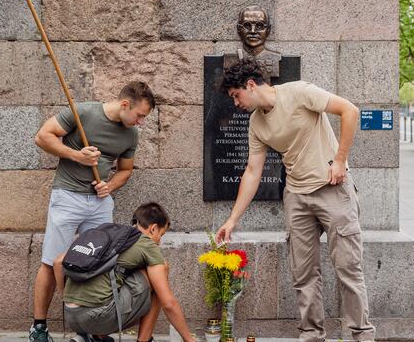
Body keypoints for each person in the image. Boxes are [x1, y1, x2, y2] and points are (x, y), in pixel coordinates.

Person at [214, 60, 375, 342]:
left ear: (250, 85)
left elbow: (349, 111)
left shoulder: (299, 92)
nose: (235, 103)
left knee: (348, 269)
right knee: (303, 275)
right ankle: (312, 335)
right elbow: (252, 171)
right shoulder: (256, 123)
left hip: (332, 189)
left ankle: (362, 336)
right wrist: (232, 219)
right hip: (297, 197)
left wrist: (340, 160)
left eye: (236, 95)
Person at [29, 82, 156, 342]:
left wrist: (109, 186)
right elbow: (42, 137)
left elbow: (125, 171)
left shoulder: (131, 135)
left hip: (99, 204)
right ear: (124, 105)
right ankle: (39, 327)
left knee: (98, 263)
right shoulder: (83, 113)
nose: (141, 122)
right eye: (140, 115)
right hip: (67, 197)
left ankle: (88, 331)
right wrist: (77, 156)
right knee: (52, 259)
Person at [54, 202, 196, 342]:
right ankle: (143, 340)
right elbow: (168, 303)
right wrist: (189, 339)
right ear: (153, 229)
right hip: (99, 317)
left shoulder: (111, 235)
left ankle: (95, 336)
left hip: (70, 316)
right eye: (161, 234)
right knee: (161, 271)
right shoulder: (146, 244)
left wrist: (68, 299)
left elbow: (58, 262)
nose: (159, 242)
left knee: (118, 277)